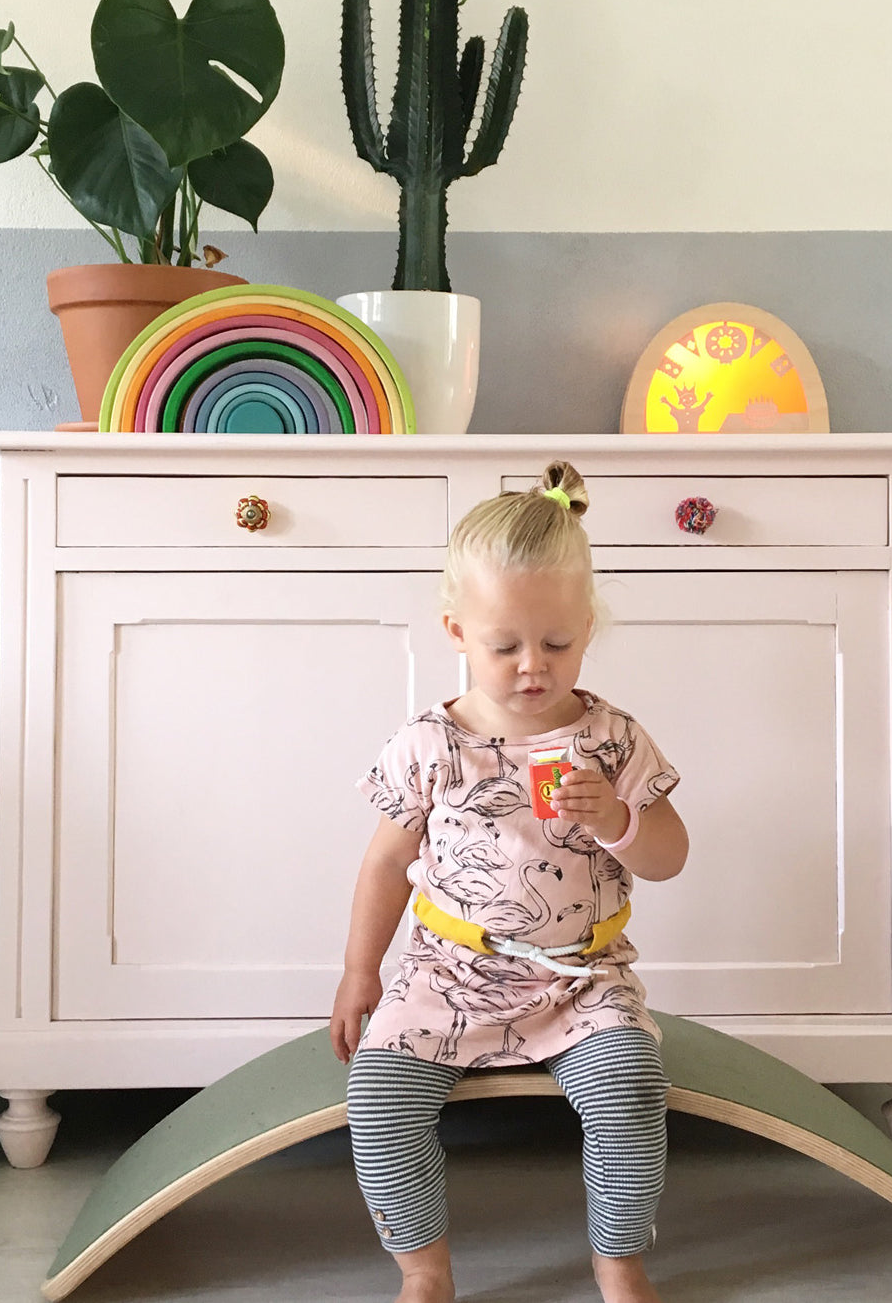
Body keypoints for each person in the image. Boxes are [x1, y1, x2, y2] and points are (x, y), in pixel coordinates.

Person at [331, 460, 689, 1303]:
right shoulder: (429, 744)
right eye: (505, 645)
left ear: (588, 628)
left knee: (631, 1092)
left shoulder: (611, 738)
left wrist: (618, 820)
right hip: (445, 970)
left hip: (580, 976)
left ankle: (619, 1263)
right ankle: (424, 1270)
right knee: (378, 1101)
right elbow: (385, 861)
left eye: (556, 643)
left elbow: (670, 854)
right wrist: (359, 973)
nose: (532, 666)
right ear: (456, 631)